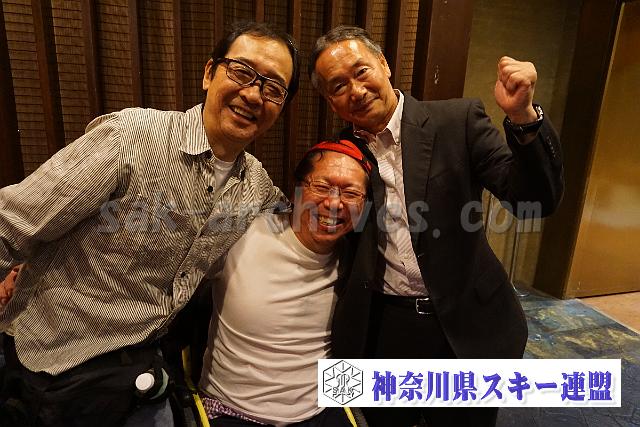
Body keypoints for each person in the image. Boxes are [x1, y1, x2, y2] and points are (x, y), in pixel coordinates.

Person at [0, 21, 300, 426]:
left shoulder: (256, 186)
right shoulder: (131, 138)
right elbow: (12, 222)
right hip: (53, 360)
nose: (253, 94)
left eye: (273, 88)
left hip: (142, 369)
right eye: (241, 72)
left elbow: (310, 219)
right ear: (209, 73)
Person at [309, 26, 564, 427]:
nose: (355, 91)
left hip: (468, 322)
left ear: (384, 64)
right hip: (385, 327)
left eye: (361, 72)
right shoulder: (340, 157)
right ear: (330, 100)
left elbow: (533, 200)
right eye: (338, 86)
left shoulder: (456, 120)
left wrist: (522, 117)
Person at [197, 139, 371, 427]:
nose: (334, 203)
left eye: (351, 193)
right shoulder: (241, 234)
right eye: (322, 186)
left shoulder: (357, 262)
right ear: (297, 188)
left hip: (321, 412)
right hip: (232, 411)